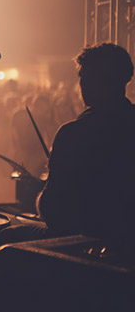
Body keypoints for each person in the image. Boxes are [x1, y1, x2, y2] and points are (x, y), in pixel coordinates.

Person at [36, 42, 135, 251]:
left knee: (6, 236)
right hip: (128, 244)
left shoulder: (72, 133)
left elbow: (51, 211)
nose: (82, 84)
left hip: (83, 245)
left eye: (84, 77)